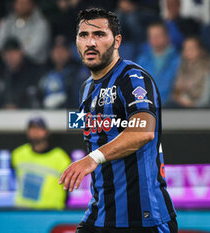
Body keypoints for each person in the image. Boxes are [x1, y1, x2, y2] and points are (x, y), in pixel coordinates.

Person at [59, 8, 177, 233]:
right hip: (100, 216)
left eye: (99, 35)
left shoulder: (132, 78)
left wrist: (91, 159)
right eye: (84, 35)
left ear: (117, 41)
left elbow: (143, 132)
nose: (90, 42)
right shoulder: (86, 89)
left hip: (143, 219)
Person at [12, 116, 71, 209]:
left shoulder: (60, 157)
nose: (35, 132)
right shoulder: (18, 154)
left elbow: (68, 187)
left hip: (50, 211)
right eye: (32, 128)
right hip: (23, 210)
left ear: (46, 132)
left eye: (39, 128)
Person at [136, 21, 181, 105]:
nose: (155, 39)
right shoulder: (142, 59)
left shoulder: (178, 59)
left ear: (168, 37)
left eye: (158, 35)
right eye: (152, 36)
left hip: (171, 108)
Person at [0, 0, 51, 64]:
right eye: (19, 3)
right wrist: (9, 53)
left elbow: (34, 49)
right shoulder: (7, 21)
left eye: (25, 3)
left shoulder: (41, 24)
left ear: (32, 5)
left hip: (34, 65)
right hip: (8, 64)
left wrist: (16, 54)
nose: (21, 6)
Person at [0, 37, 44, 109]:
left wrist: (19, 106)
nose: (10, 56)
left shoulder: (34, 71)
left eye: (14, 53)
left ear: (21, 52)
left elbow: (37, 98)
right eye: (7, 53)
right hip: (3, 116)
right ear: (3, 56)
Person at [169, 37, 209, 108]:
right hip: (181, 101)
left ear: (200, 50)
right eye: (186, 48)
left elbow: (203, 91)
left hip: (199, 104)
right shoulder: (182, 66)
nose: (188, 51)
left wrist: (186, 88)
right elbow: (176, 87)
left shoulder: (206, 68)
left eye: (191, 48)